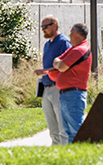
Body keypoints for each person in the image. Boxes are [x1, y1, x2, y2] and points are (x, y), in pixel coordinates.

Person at [47, 22, 91, 144]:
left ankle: (80, 157)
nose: (69, 36)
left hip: (73, 94)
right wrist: (58, 62)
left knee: (75, 131)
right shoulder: (74, 49)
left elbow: (60, 65)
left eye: (71, 33)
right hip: (68, 94)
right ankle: (74, 157)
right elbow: (57, 60)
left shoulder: (79, 50)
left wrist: (58, 63)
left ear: (76, 34)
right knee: (68, 131)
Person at [38, 16, 71, 145]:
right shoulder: (47, 45)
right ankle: (56, 156)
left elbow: (67, 65)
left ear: (55, 25)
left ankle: (65, 156)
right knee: (53, 129)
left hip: (59, 88)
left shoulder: (64, 42)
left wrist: (45, 71)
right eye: (42, 27)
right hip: (46, 89)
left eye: (45, 27)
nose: (43, 30)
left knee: (63, 129)